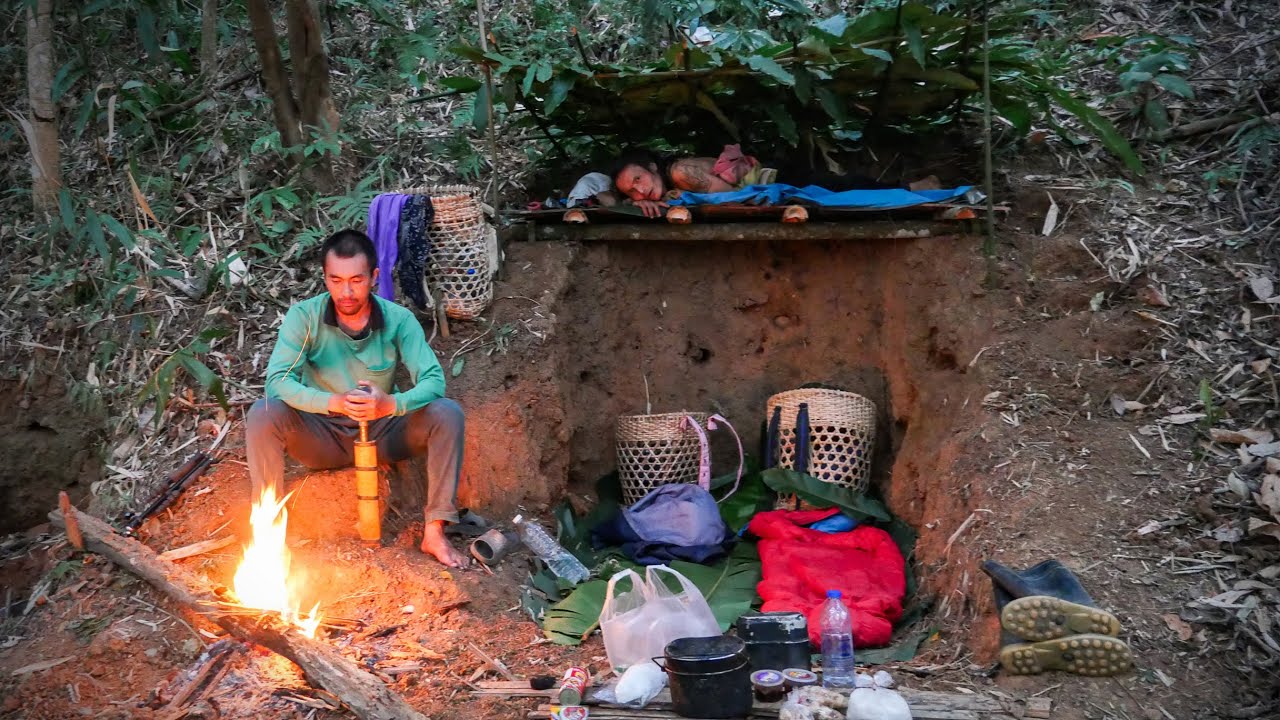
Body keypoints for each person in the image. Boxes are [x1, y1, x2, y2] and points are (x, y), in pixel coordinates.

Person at [245, 229, 471, 568]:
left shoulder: (398, 320)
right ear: (325, 278)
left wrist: (390, 404)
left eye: (356, 280)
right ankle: (269, 538)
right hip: (321, 434)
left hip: (382, 432)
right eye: (336, 280)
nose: (346, 292)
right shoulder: (304, 318)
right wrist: (333, 402)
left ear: (374, 277)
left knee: (447, 414)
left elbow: (434, 380)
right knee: (263, 414)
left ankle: (434, 531)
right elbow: (278, 382)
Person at [611, 145, 778, 218]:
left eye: (638, 179)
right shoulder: (664, 182)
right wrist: (635, 204)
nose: (640, 191)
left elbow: (734, 197)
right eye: (632, 191)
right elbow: (606, 199)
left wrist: (676, 196)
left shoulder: (681, 173)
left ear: (653, 167)